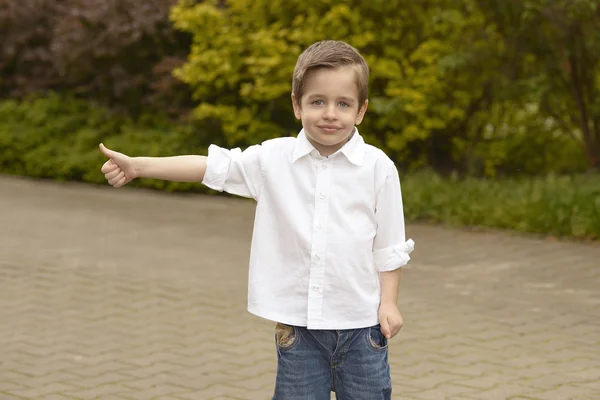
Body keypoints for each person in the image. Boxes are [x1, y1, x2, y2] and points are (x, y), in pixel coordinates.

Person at [99, 40, 414, 400]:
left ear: (361, 111)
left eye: (343, 104)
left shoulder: (378, 169)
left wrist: (389, 302)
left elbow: (389, 246)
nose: (330, 113)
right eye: (317, 101)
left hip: (363, 328)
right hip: (299, 330)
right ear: (297, 105)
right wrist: (140, 166)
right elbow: (213, 167)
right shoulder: (272, 159)